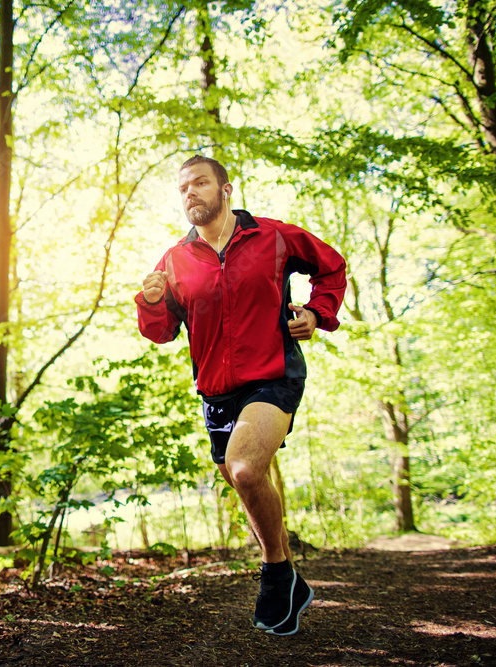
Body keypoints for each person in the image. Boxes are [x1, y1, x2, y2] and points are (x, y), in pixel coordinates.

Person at [135, 155, 346, 636]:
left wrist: (317, 313)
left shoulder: (272, 237)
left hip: (274, 374)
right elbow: (162, 331)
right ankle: (289, 574)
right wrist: (150, 303)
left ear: (226, 189)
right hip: (216, 391)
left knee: (247, 466)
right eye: (183, 187)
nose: (190, 193)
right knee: (238, 475)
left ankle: (276, 573)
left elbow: (331, 268)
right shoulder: (174, 261)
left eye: (200, 183)